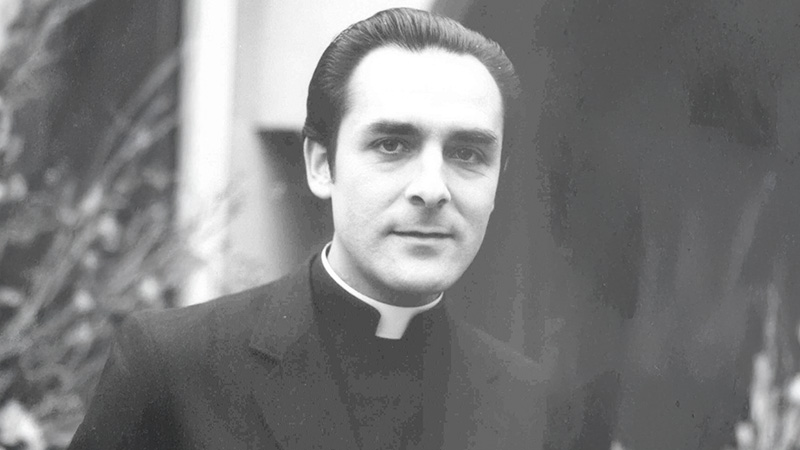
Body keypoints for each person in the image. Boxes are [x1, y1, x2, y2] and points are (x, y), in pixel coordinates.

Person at [69, 7, 546, 449]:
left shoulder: (537, 406)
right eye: (392, 145)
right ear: (321, 164)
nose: (432, 188)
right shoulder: (172, 367)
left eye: (467, 154)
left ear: (498, 180)